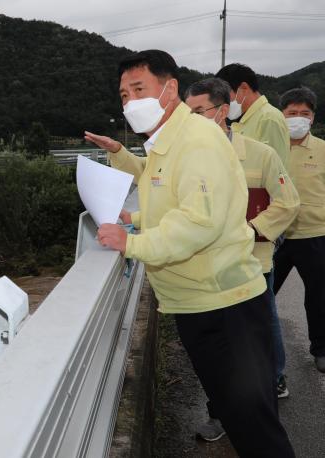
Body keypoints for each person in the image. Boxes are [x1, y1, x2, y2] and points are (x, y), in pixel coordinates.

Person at [84, 50, 295, 458]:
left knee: (254, 426)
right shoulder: (167, 144)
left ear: (169, 89)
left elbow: (199, 223)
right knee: (241, 420)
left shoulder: (197, 140)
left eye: (138, 89)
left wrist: (132, 243)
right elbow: (178, 206)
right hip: (199, 304)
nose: (129, 101)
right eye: (123, 94)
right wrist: (138, 218)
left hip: (224, 306)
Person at [184, 77, 300, 440]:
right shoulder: (189, 160)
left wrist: (250, 231)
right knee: (219, 352)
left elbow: (288, 202)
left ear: (221, 112)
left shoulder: (261, 155)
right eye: (187, 114)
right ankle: (220, 414)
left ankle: (262, 418)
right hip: (207, 273)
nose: (192, 120)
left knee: (254, 352)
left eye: (198, 111)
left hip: (251, 269)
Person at [275, 87, 325, 373]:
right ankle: (261, 351)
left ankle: (320, 348)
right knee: (262, 295)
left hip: (315, 234)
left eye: (304, 114)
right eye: (291, 113)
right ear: (281, 116)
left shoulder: (322, 149)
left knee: (319, 296)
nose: (297, 119)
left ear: (313, 118)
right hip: (276, 236)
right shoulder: (271, 148)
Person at [216, 63, 290, 167]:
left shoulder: (268, 118)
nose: (223, 102)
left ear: (243, 88)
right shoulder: (244, 119)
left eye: (225, 96)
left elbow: (277, 169)